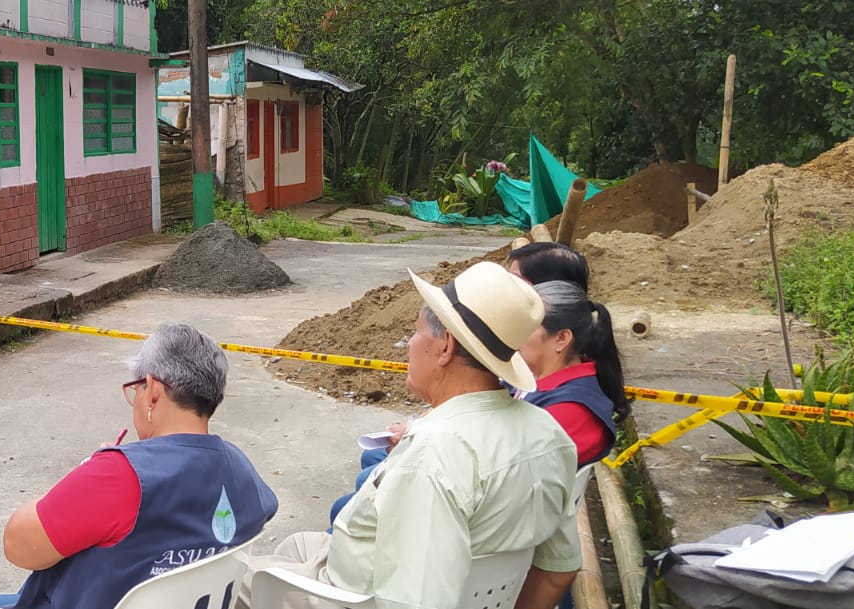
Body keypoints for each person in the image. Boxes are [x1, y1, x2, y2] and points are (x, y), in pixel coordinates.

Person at [241, 262, 582, 609]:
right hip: (368, 569)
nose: (408, 345)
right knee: (297, 545)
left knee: (228, 580)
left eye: (416, 332)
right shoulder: (548, 433)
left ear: (446, 346)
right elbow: (557, 571)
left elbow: (415, 602)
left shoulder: (433, 456)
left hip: (351, 596)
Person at [0, 323, 280, 609]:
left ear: (152, 392)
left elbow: (20, 547)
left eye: (135, 390)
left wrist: (88, 473)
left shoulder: (120, 475)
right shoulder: (239, 466)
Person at [325, 241, 598, 530]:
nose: (409, 344)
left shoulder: (566, 414)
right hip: (487, 538)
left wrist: (414, 450)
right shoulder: (544, 418)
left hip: (455, 531)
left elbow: (424, 567)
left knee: (344, 511)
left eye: (417, 332)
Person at [519, 280, 629, 467]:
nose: (512, 333)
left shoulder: (569, 411)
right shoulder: (542, 381)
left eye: (525, 325)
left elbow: (508, 471)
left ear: (561, 338)